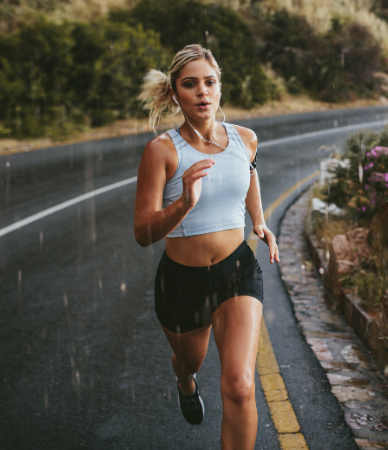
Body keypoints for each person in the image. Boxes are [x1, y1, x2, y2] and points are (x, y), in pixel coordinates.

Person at [133, 44, 278, 450]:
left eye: (209, 82)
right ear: (175, 93)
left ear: (219, 88)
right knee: (190, 360)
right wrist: (183, 204)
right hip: (182, 282)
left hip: (238, 271)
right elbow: (143, 232)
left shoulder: (244, 139)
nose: (202, 92)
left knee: (240, 386)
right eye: (190, 84)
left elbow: (248, 175)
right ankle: (184, 380)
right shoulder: (162, 151)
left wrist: (260, 220)